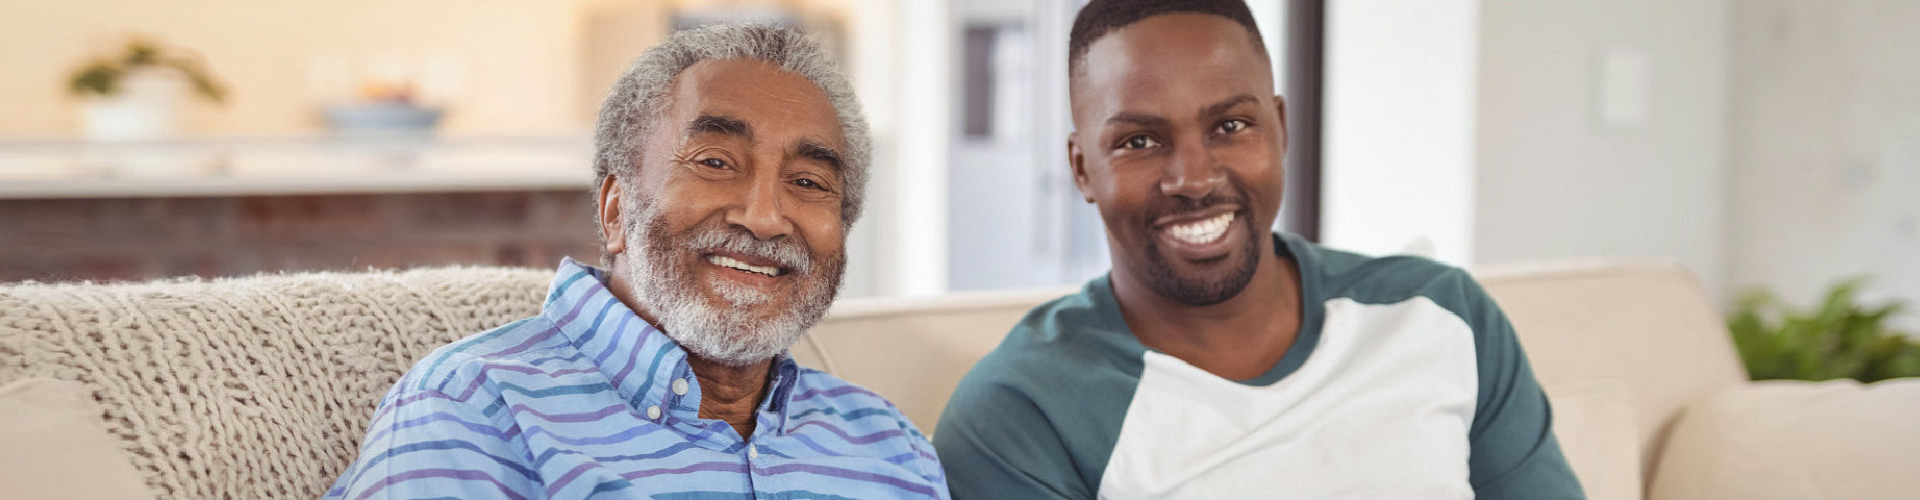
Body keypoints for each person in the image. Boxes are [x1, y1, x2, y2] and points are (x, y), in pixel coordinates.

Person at [933, 1, 1585, 498]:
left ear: (1279, 128)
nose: (1192, 178)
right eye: (1139, 141)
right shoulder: (1018, 412)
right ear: (1081, 169)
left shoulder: (1444, 313)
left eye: (1231, 126)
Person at [326, 24, 948, 499]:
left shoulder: (892, 447)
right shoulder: (473, 408)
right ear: (616, 209)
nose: (764, 217)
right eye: (714, 162)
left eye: (810, 182)